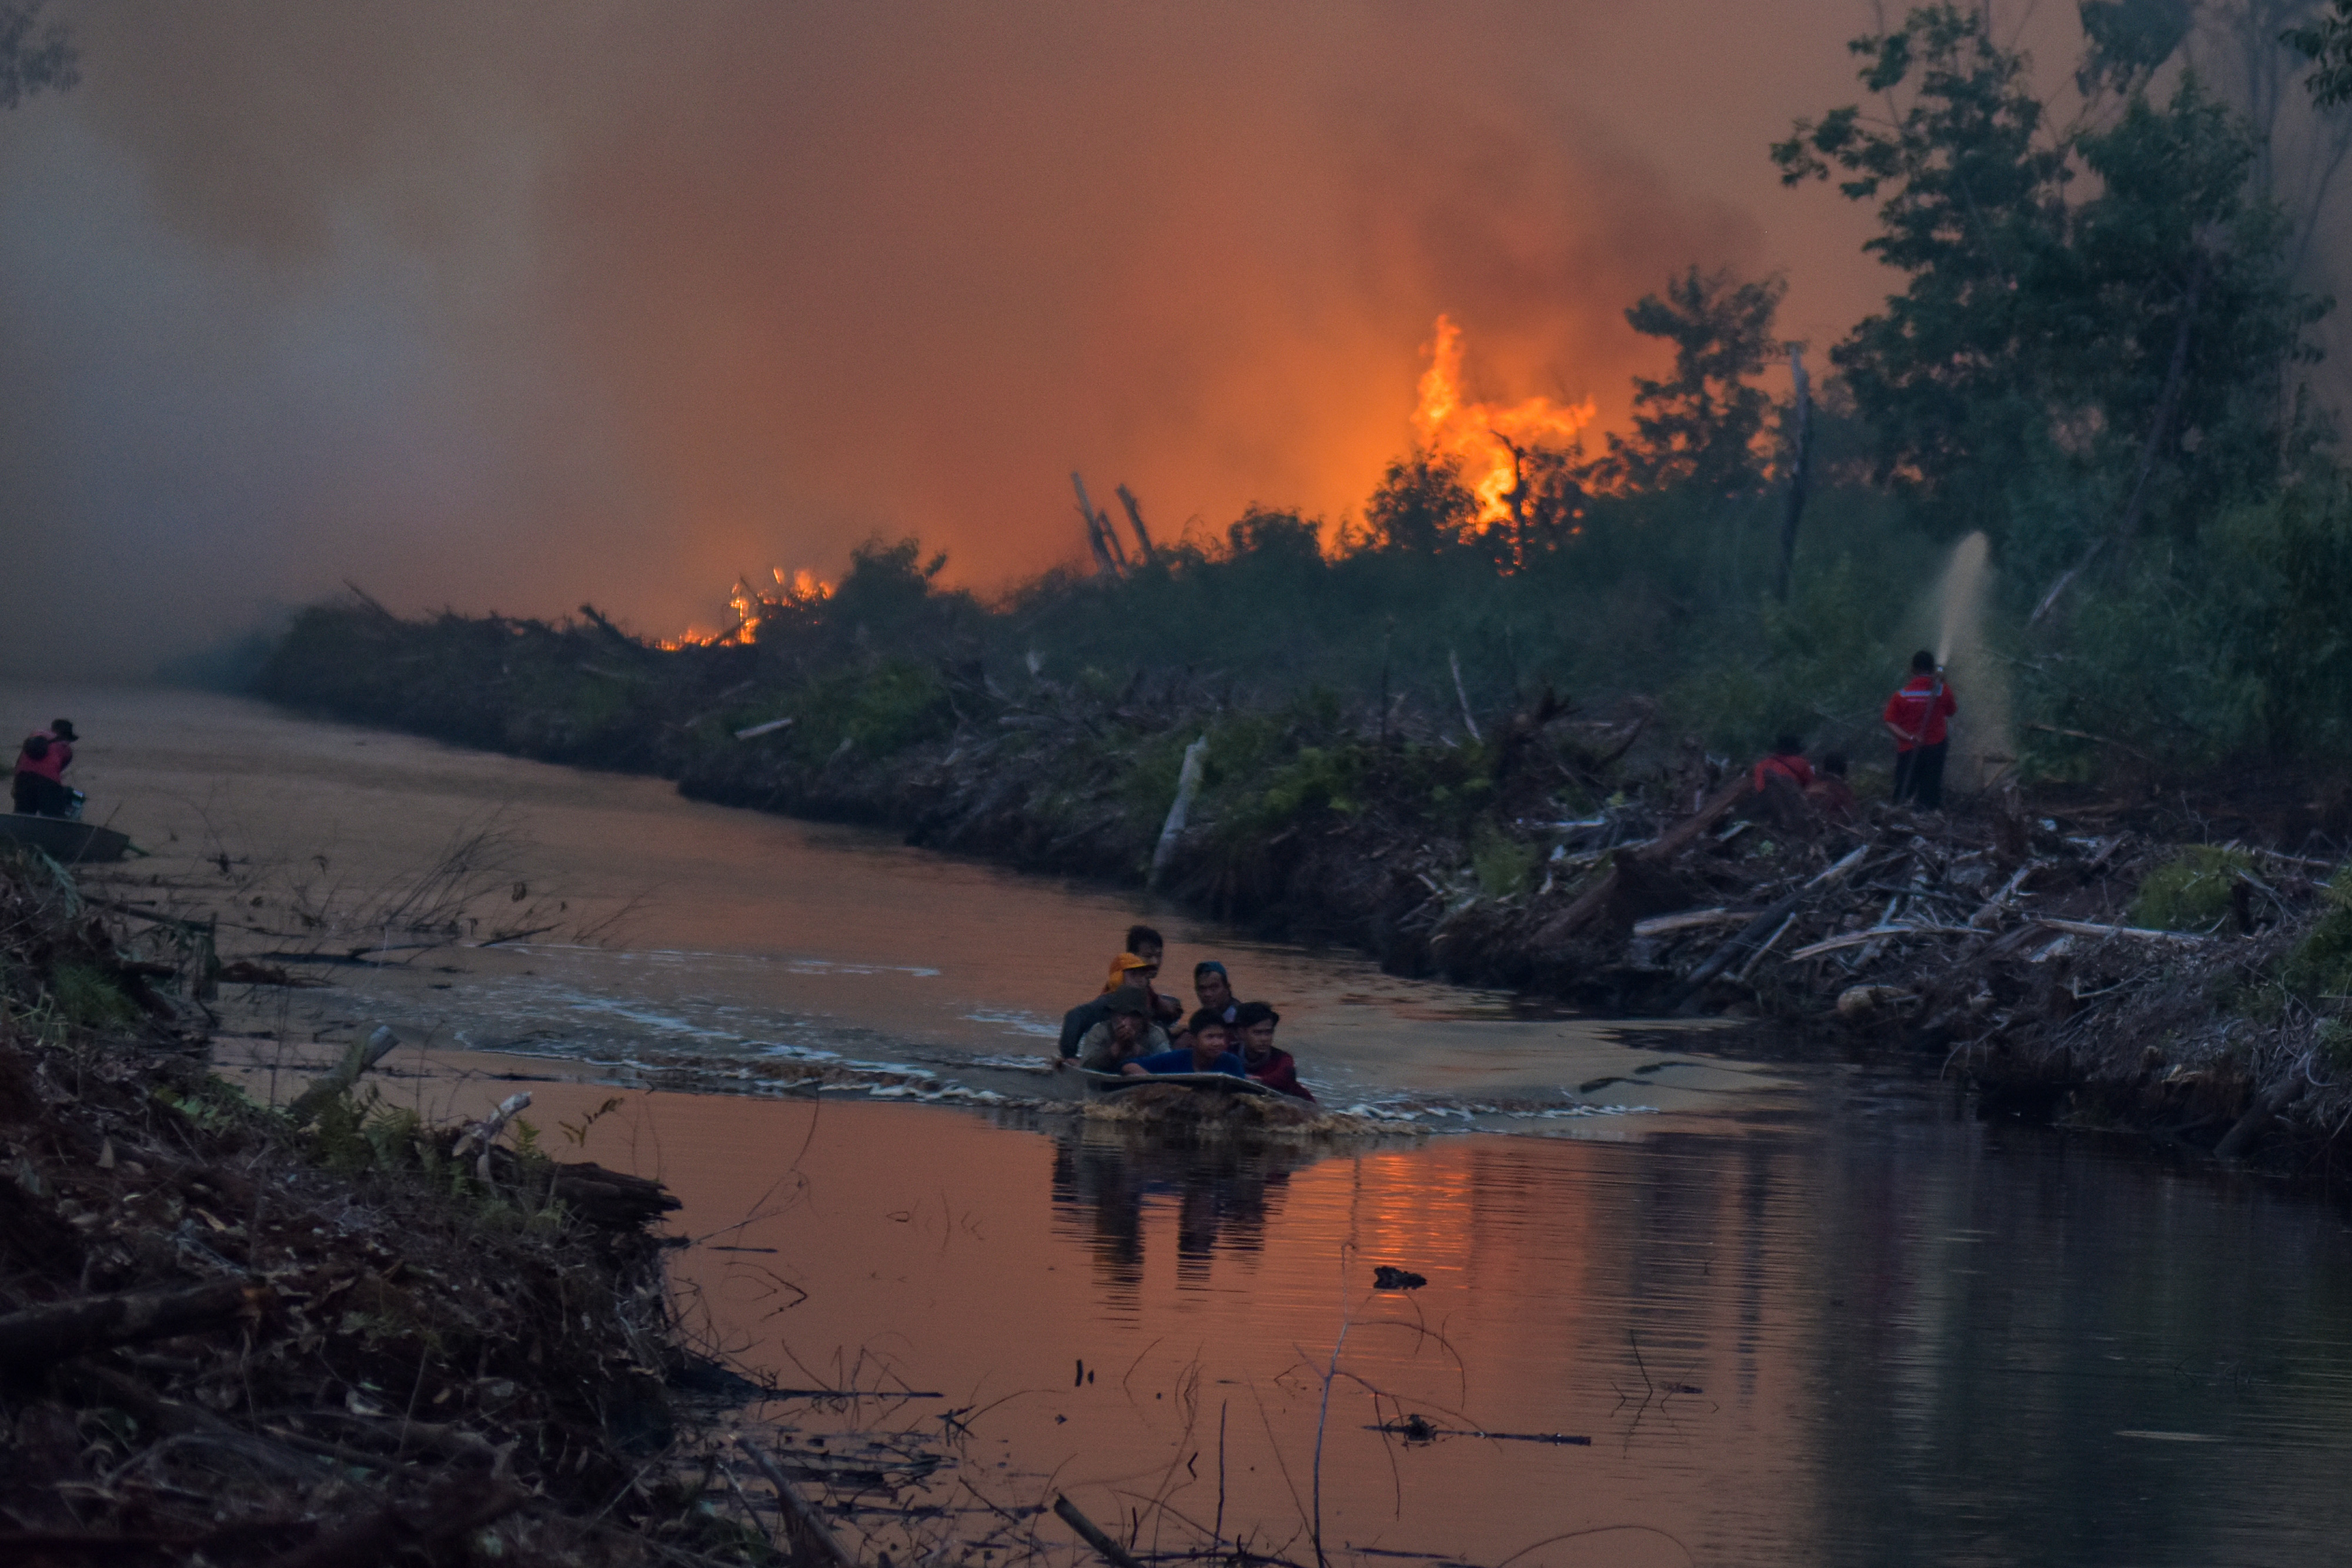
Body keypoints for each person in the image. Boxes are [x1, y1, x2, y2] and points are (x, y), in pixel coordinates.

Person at [1057, 948, 1162, 1062]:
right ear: (1117, 977)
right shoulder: (1107, 1002)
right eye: (1134, 974)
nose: (1141, 980)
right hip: (1107, 1057)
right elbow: (1074, 1016)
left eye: (1143, 975)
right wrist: (1070, 1056)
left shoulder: (1144, 997)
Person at [1883, 651, 1957, 810]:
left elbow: (1890, 721)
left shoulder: (1901, 696)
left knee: (1904, 790)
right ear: (1932, 669)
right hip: (1935, 750)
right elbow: (1951, 711)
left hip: (1908, 750)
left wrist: (1909, 737)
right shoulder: (1942, 691)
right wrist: (1944, 683)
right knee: (1930, 792)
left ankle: (1899, 820)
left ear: (1912, 670)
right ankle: (1928, 822)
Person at [1124, 1009, 1248, 1078]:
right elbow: (1128, 1066)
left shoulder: (1231, 1063)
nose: (1217, 1043)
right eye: (1210, 1037)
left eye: (1221, 1037)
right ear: (1193, 1040)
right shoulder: (1176, 1059)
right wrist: (1155, 1084)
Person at [1233, 1002, 1314, 1101]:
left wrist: (1261, 1081)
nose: (1264, 1039)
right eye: (1258, 1033)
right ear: (1241, 1033)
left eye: (1268, 1032)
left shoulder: (1283, 1059)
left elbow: (1285, 1076)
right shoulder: (1227, 1054)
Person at [1077, 988, 1171, 1073]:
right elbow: (1085, 1069)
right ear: (1113, 1015)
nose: (1126, 1022)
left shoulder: (1154, 1034)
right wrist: (1115, 1050)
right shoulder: (1099, 1032)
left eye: (1134, 1016)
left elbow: (1169, 1066)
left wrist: (1137, 1051)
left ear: (1143, 1019)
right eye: (1122, 1015)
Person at [12, 718, 78, 818]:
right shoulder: (66, 748)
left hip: (22, 778)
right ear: (67, 736)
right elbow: (58, 769)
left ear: (53, 729)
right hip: (48, 782)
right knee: (54, 818)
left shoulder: (35, 735)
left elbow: (20, 760)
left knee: (23, 816)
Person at [1750, 734, 1815, 797]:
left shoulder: (1761, 765)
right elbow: (1810, 786)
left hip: (1763, 799)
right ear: (1794, 749)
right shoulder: (1801, 762)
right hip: (1789, 799)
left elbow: (1758, 787)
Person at [1805, 751, 1859, 824]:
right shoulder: (1844, 791)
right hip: (1832, 829)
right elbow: (1852, 816)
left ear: (1824, 767)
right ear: (1845, 769)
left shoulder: (1813, 784)